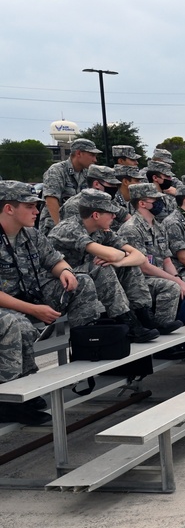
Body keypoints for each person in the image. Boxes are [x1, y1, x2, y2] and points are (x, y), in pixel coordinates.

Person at [0, 181, 103, 423]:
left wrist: (65, 271)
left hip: (31, 296)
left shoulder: (32, 235)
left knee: (83, 281)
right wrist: (32, 309)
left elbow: (54, 260)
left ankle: (86, 351)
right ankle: (12, 395)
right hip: (9, 306)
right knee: (17, 325)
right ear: (9, 209)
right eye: (30, 206)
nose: (37, 211)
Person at [49, 189, 161, 342]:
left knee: (128, 266)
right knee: (101, 267)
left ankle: (144, 316)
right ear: (96, 215)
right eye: (110, 213)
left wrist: (120, 261)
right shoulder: (69, 228)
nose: (114, 217)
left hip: (83, 278)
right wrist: (118, 256)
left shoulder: (100, 230)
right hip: (60, 280)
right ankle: (127, 323)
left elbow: (140, 257)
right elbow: (111, 255)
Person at [119, 183, 185, 326]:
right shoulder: (131, 229)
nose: (161, 203)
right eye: (155, 200)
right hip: (140, 280)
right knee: (172, 287)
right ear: (142, 203)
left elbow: (166, 260)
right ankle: (162, 329)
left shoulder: (158, 226)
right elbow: (144, 267)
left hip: (159, 276)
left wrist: (178, 278)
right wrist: (176, 281)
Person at [38, 138, 102, 233]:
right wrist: (60, 228)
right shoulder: (56, 170)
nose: (95, 159)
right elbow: (51, 201)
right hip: (54, 227)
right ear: (79, 153)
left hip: (78, 227)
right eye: (91, 155)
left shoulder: (87, 173)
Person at [61, 164, 129, 230]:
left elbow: (126, 217)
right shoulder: (74, 206)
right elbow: (75, 236)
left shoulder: (109, 201)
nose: (114, 188)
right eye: (111, 184)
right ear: (96, 184)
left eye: (115, 185)